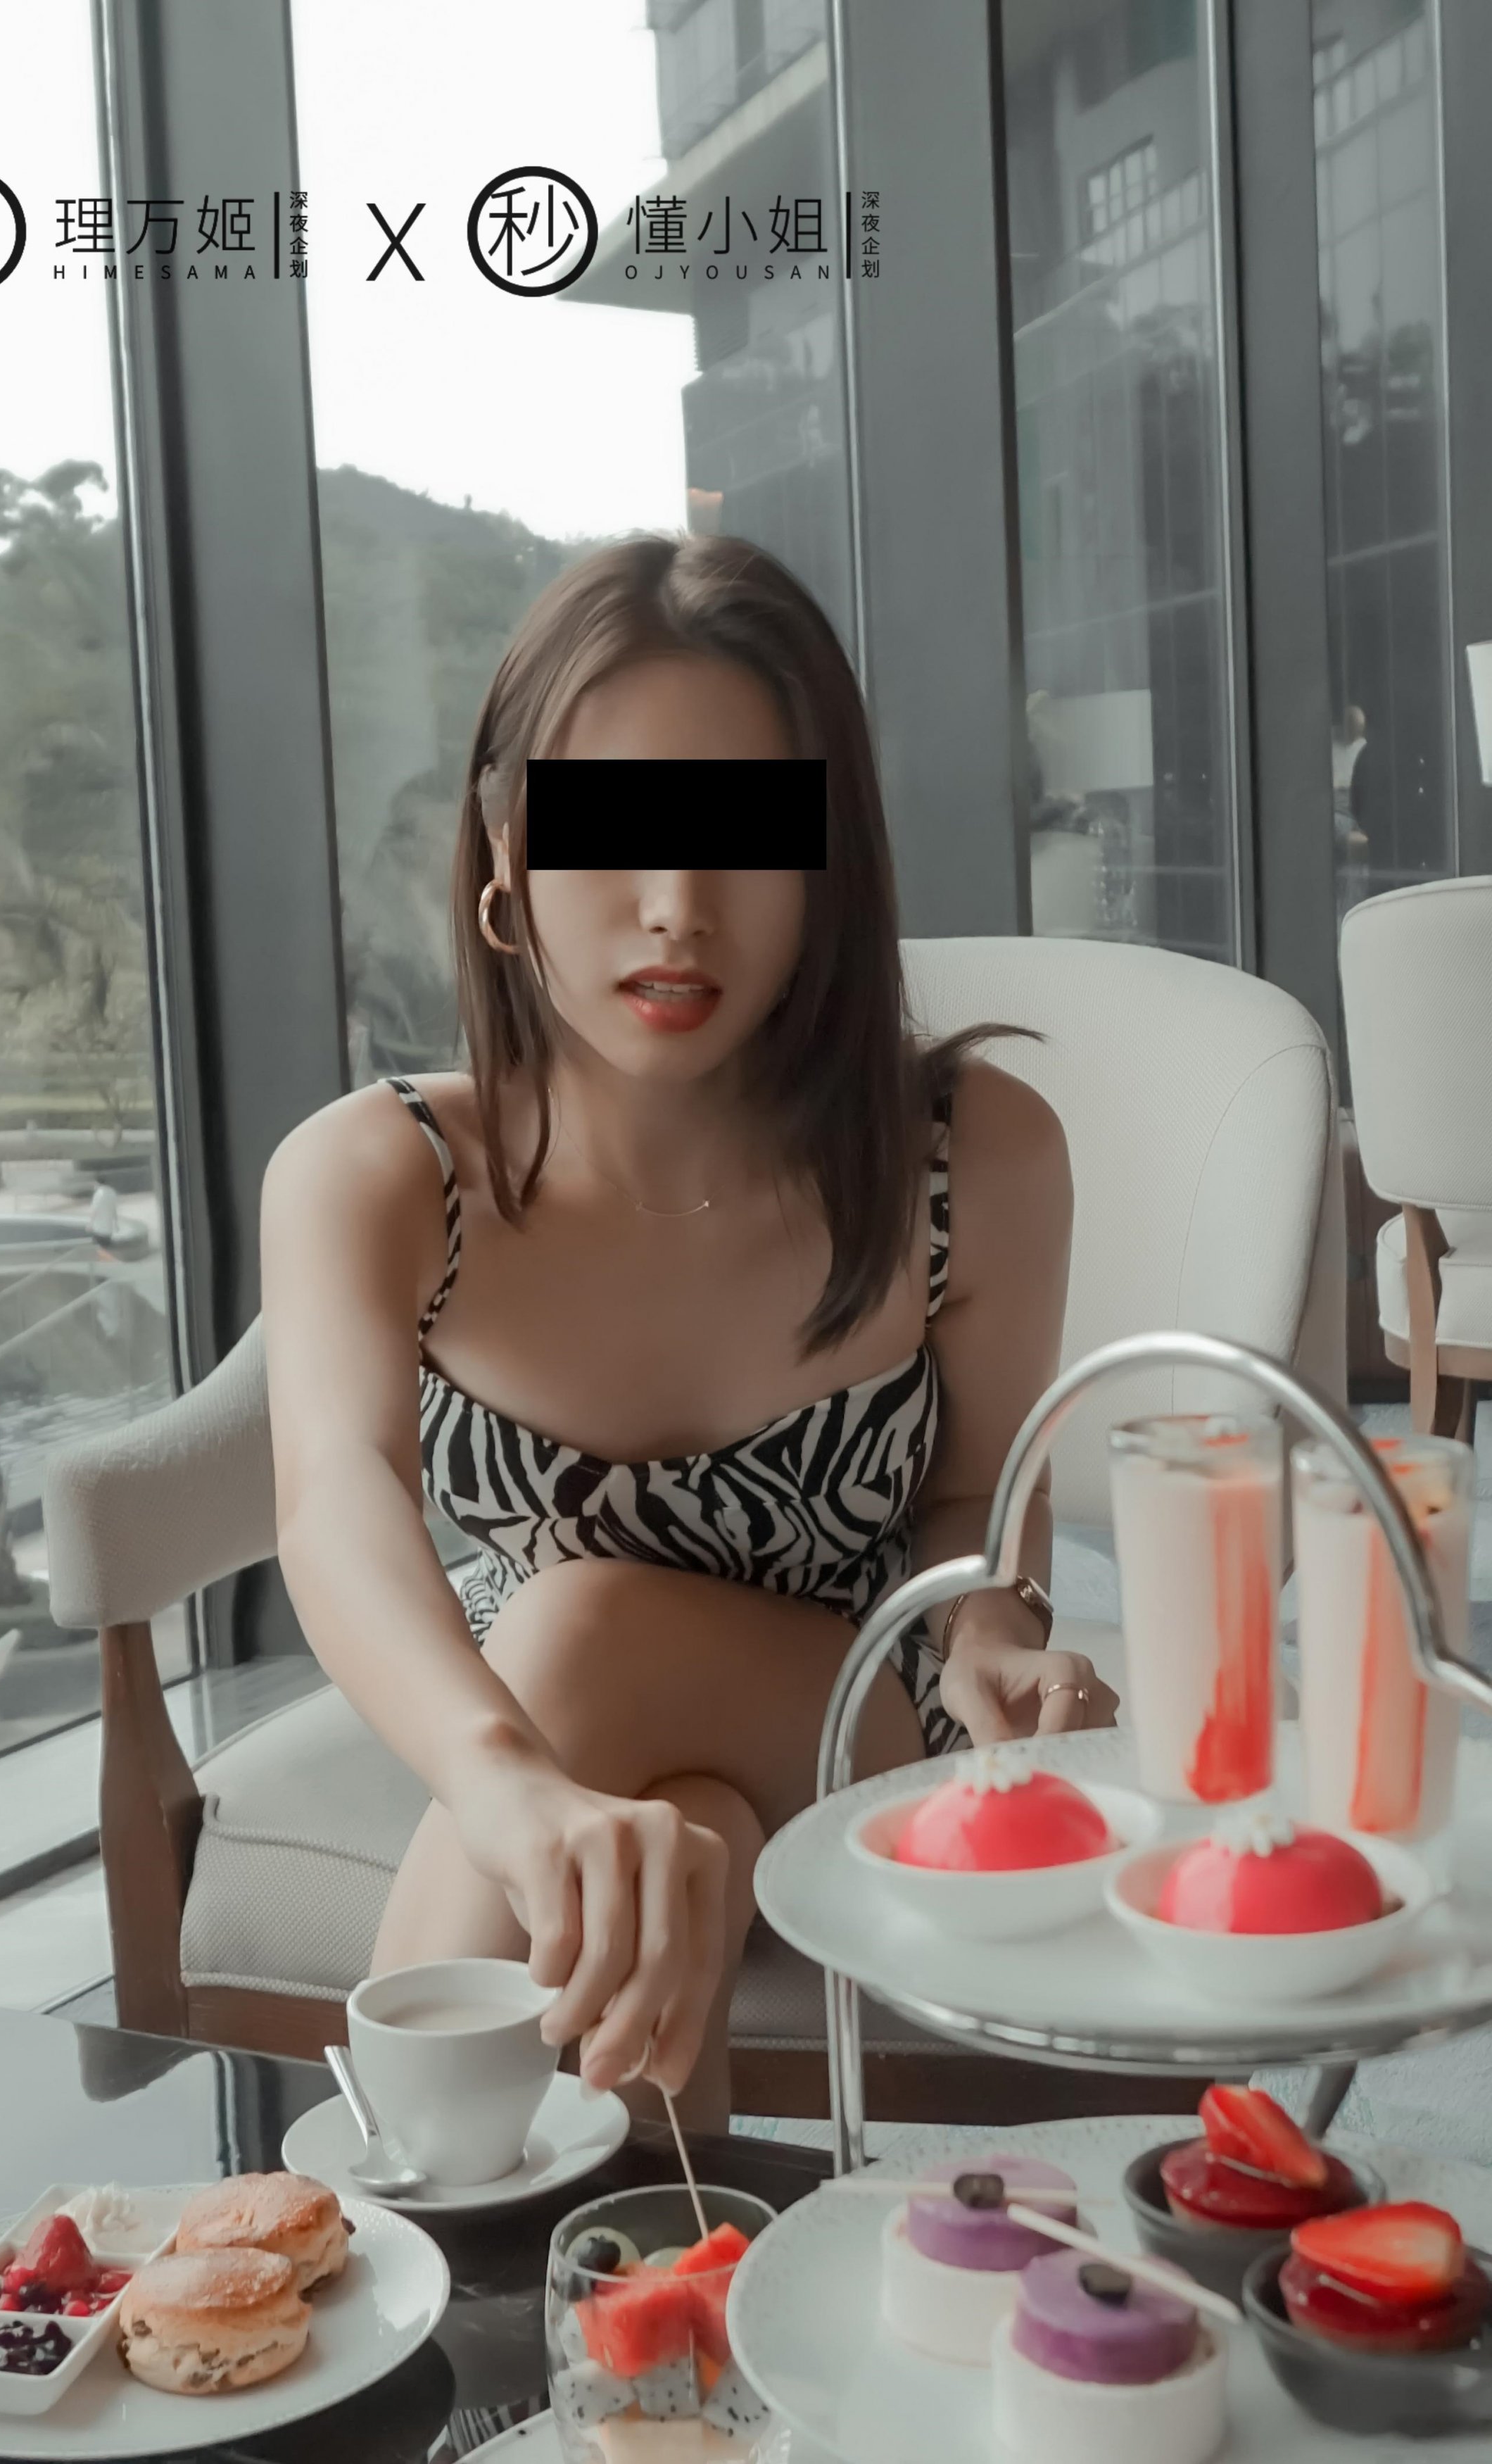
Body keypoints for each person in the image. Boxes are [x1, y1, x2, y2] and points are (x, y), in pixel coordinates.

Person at [260, 534, 1117, 2130]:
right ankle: (667, 2242)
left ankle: (394, 2191)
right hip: (536, 1757)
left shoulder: (974, 1156)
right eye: (611, 835)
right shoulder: (377, 1174)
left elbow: (975, 1500)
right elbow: (333, 1494)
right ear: (504, 851)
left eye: (741, 832)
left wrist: (991, 1632)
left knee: (587, 1632)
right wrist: (508, 1784)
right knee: (681, 1840)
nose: (676, 909)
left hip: (857, 1715)